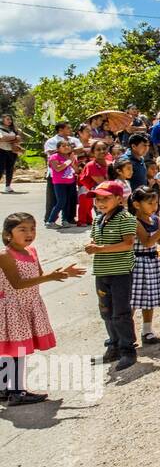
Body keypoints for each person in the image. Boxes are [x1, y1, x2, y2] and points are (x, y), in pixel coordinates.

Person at [0, 213, 84, 405]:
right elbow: (18, 283)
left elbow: (38, 275)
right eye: (22, 229)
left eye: (32, 228)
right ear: (8, 235)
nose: (29, 233)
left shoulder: (31, 251)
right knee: (16, 350)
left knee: (16, 350)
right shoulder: (5, 255)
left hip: (29, 305)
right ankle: (16, 392)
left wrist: (61, 273)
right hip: (13, 308)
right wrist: (51, 277)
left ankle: (6, 388)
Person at [85, 182, 140, 370]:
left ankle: (128, 350)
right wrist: (92, 244)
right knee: (106, 311)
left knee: (121, 312)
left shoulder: (125, 218)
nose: (100, 203)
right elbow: (95, 238)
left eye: (105, 198)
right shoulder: (98, 219)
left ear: (119, 199)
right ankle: (113, 345)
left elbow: (128, 243)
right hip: (101, 271)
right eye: (98, 199)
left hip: (120, 273)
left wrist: (100, 249)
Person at [127, 187, 160, 346]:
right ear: (136, 205)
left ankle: (147, 330)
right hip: (137, 263)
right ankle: (127, 334)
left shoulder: (154, 219)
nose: (154, 206)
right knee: (133, 300)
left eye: (156, 203)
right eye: (150, 203)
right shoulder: (134, 221)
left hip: (151, 262)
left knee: (149, 298)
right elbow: (147, 242)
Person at [76, 140, 111, 226]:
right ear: (93, 152)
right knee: (103, 220)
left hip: (112, 195)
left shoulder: (111, 164)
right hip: (99, 196)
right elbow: (102, 183)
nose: (102, 151)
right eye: (98, 150)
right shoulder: (91, 165)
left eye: (104, 149)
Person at [45, 139, 78, 229]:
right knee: (61, 201)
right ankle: (50, 221)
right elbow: (58, 169)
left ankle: (65, 220)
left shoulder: (71, 157)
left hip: (70, 182)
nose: (66, 147)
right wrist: (69, 161)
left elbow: (76, 170)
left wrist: (72, 160)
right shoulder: (54, 157)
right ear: (58, 148)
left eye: (68, 145)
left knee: (67, 202)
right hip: (59, 183)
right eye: (63, 146)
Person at [0, 113, 22, 193]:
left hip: (12, 151)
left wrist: (12, 138)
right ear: (3, 120)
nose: (10, 121)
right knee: (0, 169)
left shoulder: (13, 129)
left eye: (10, 119)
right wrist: (14, 138)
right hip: (1, 150)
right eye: (7, 119)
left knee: (10, 169)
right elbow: (1, 138)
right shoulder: (0, 129)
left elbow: (19, 139)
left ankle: (8, 186)